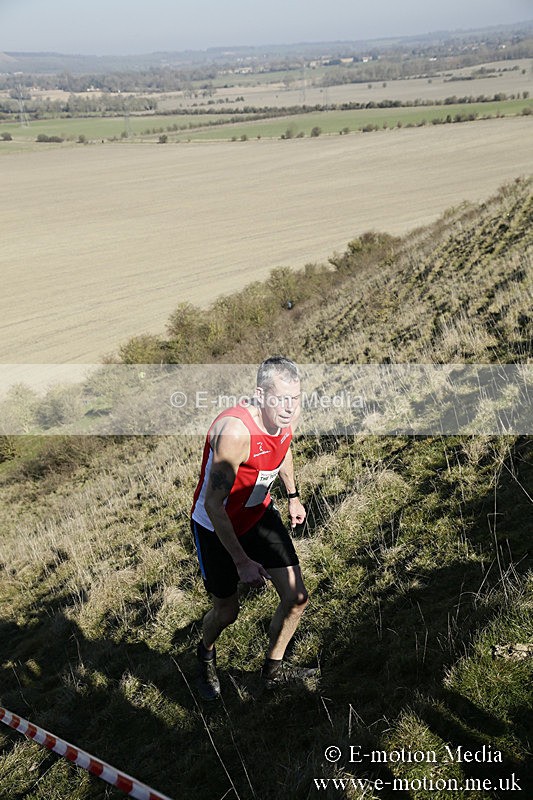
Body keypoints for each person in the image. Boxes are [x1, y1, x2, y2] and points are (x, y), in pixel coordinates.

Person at [190, 356, 316, 699]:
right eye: (281, 399)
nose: (290, 408)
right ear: (261, 395)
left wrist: (293, 496)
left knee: (297, 598)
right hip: (216, 527)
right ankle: (205, 654)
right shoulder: (235, 432)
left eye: (296, 398)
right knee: (227, 611)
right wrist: (242, 561)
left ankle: (273, 671)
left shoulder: (285, 416)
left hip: (257, 514)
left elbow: (283, 448)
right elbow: (213, 505)